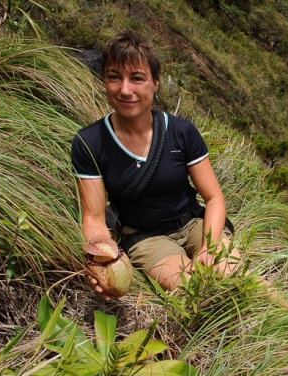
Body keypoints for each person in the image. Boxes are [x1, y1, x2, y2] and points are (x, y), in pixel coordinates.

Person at [71, 30, 240, 300]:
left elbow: (214, 197)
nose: (125, 89)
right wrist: (102, 261)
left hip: (194, 224)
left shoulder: (181, 132)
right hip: (145, 238)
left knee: (233, 277)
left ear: (155, 84)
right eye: (115, 77)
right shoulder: (89, 142)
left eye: (137, 79)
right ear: (104, 80)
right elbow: (93, 217)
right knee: (193, 291)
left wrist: (209, 247)